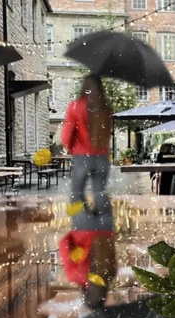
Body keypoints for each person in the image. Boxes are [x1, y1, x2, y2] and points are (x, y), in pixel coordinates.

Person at [61, 74, 113, 215]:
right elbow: (107, 133)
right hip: (102, 156)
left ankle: (83, 222)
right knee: (99, 191)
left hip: (82, 156)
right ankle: (102, 225)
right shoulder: (106, 108)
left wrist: (71, 148)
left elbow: (66, 136)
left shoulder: (75, 106)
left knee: (77, 193)